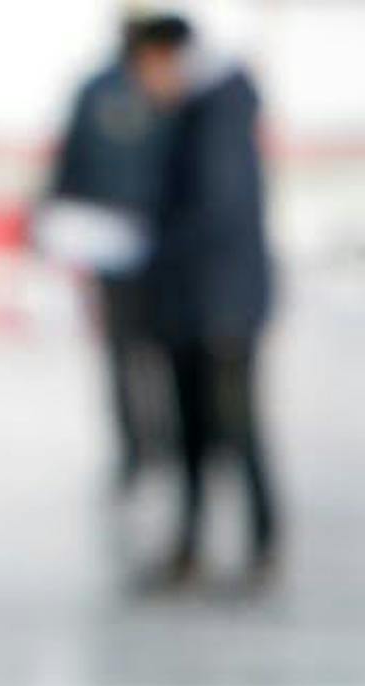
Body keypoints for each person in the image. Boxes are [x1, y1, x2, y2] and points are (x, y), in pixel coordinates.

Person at [125, 14, 280, 586]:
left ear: (168, 57)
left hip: (221, 307)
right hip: (194, 302)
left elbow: (216, 210)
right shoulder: (195, 111)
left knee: (237, 428)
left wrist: (147, 240)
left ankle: (263, 545)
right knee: (190, 428)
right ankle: (191, 546)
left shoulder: (217, 113)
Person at [47, 21, 173, 490]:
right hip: (149, 239)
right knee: (150, 350)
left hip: (115, 241)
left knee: (124, 352)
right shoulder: (157, 87)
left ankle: (138, 449)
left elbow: (67, 165)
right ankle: (154, 443)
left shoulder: (95, 90)